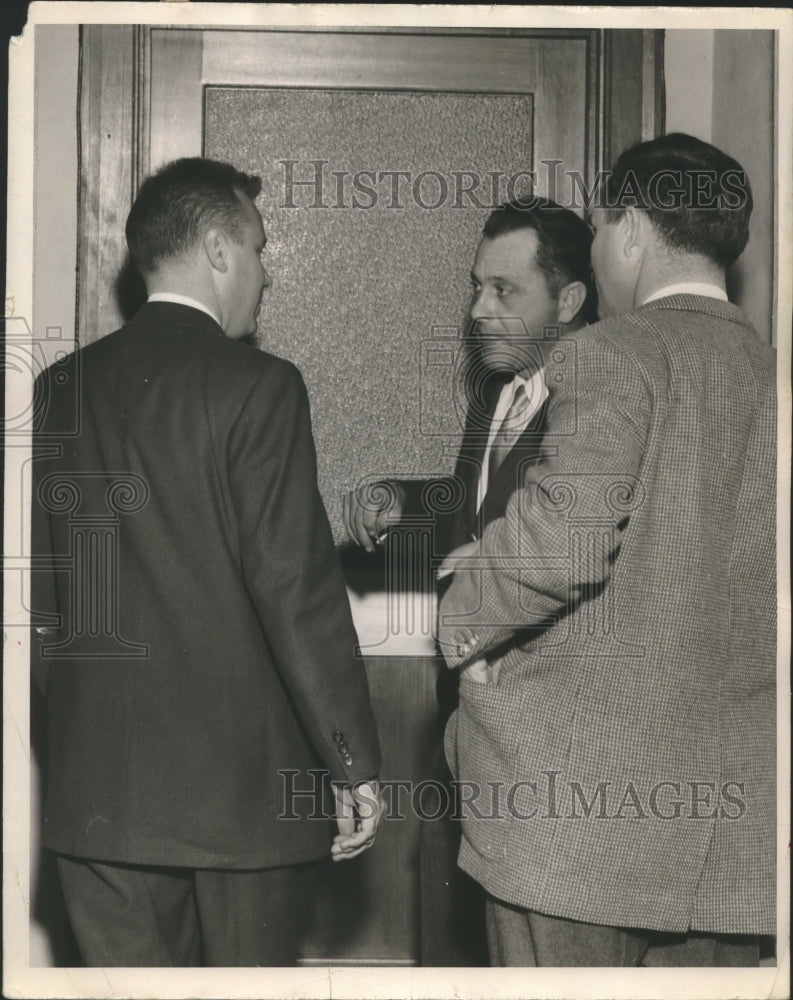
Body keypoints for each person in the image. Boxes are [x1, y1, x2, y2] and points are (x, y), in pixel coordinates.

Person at [31, 157, 383, 967]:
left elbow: (45, 602)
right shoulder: (259, 387)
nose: (265, 275)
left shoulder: (57, 388)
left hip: (97, 796)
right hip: (241, 806)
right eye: (258, 249)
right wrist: (351, 761)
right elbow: (292, 586)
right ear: (219, 251)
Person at [437, 133, 776, 966]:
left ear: (628, 229)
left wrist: (464, 620)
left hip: (574, 827)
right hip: (734, 840)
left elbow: (565, 542)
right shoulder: (769, 370)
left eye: (598, 224)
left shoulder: (610, 351)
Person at [344, 197, 596, 964]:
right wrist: (401, 500)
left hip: (548, 738)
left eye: (503, 290)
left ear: (570, 301)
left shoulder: (602, 401)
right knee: (451, 929)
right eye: (475, 286)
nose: (477, 309)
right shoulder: (499, 391)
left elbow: (571, 544)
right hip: (467, 719)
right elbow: (472, 512)